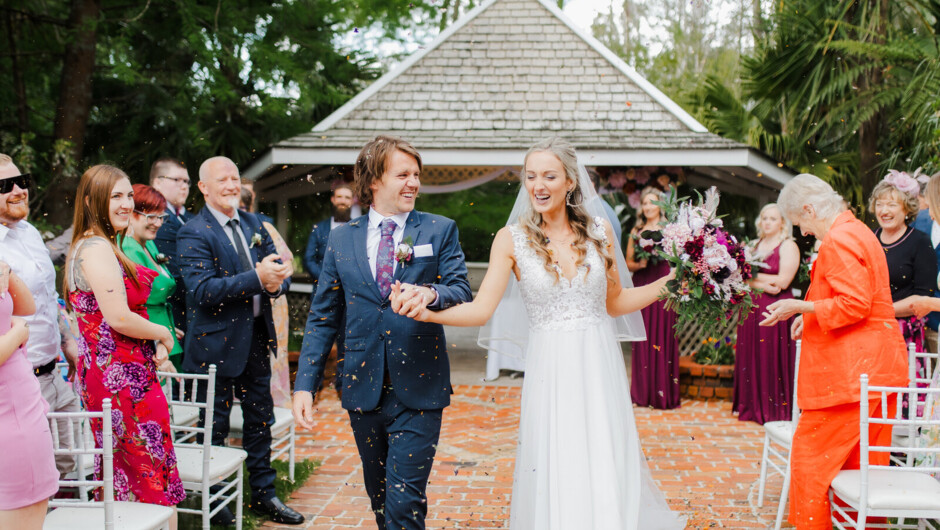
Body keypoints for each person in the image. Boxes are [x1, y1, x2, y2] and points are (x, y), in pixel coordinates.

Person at [392, 137, 685, 529]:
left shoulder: (600, 231)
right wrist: (429, 314)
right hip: (551, 368)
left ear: (570, 182)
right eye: (531, 176)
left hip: (598, 364)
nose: (538, 185)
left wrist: (669, 284)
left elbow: (616, 302)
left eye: (549, 176)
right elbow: (481, 309)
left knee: (602, 450)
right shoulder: (510, 239)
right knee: (558, 455)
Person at [292, 135, 473, 530]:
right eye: (403, 175)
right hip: (362, 385)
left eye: (416, 175)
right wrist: (305, 385)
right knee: (380, 500)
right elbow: (323, 317)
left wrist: (430, 293)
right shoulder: (341, 238)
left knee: (404, 504)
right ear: (374, 180)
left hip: (420, 386)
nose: (414, 183)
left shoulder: (439, 229)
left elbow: (460, 288)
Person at [760, 173, 908, 529]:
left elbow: (855, 303)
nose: (803, 231)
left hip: (851, 376)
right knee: (862, 470)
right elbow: (859, 297)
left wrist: (801, 307)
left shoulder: (838, 239)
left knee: (809, 464)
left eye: (800, 222)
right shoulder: (858, 231)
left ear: (810, 209)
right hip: (877, 370)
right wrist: (810, 315)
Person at [177, 157, 301, 525]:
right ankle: (216, 501)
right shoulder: (193, 232)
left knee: (260, 420)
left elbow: (278, 275)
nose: (232, 185)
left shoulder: (254, 223)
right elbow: (203, 291)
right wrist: (258, 278)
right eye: (223, 180)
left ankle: (264, 493)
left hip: (256, 340)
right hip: (214, 347)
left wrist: (277, 282)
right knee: (213, 426)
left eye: (235, 178)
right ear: (204, 187)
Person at [64, 165, 185, 527]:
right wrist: (163, 334)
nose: (126, 203)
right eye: (115, 196)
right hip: (120, 380)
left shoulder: (97, 244)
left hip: (118, 373)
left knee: (133, 471)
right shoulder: (97, 248)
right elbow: (118, 318)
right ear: (91, 201)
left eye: (128, 195)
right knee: (148, 470)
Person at [0, 154, 82, 476]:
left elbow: (47, 297)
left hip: (55, 371)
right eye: (6, 186)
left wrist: (67, 341)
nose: (19, 190)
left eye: (22, 181)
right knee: (33, 476)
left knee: (71, 465)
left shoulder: (30, 233)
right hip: (18, 382)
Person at [0, 265, 58, 529]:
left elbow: (26, 306)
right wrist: (18, 333)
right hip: (10, 420)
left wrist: (7, 271)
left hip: (19, 410)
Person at [733, 203, 799, 424]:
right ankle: (751, 406)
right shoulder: (753, 245)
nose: (767, 222)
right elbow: (740, 276)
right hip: (750, 308)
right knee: (751, 354)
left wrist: (752, 278)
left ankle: (773, 409)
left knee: (770, 355)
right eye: (764, 218)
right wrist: (759, 282)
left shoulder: (788, 245)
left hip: (775, 309)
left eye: (773, 218)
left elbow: (783, 282)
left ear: (782, 222)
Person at [869, 172, 937, 352]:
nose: (884, 211)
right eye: (879, 204)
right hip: (866, 328)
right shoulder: (867, 238)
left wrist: (879, 312)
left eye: (892, 205)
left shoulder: (920, 241)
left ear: (907, 209)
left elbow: (924, 296)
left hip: (903, 333)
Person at [625, 186, 679, 409]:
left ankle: (663, 394)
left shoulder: (670, 229)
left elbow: (678, 257)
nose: (648, 206)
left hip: (664, 281)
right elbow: (628, 262)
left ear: (660, 205)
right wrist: (641, 263)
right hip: (642, 282)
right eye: (644, 203)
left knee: (664, 332)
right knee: (643, 335)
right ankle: (641, 393)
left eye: (651, 202)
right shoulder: (636, 230)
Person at [240, 186, 294, 409]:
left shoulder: (263, 227)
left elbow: (286, 263)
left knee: (272, 356)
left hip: (271, 301)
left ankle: (273, 403)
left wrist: (272, 279)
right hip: (239, 304)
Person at [121, 184, 184, 370]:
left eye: (161, 217)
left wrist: (167, 326)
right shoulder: (128, 248)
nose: (158, 223)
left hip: (163, 332)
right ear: (130, 213)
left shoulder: (148, 243)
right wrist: (157, 339)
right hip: (147, 342)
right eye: (151, 217)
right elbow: (132, 306)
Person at [303, 182, 352, 393]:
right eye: (339, 197)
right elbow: (308, 259)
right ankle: (313, 388)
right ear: (333, 199)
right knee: (319, 341)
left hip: (350, 296)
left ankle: (342, 386)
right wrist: (327, 280)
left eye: (347, 197)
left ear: (352, 202)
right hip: (323, 295)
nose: (343, 201)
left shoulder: (358, 228)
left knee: (347, 341)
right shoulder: (319, 228)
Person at [150, 158, 192, 336]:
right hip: (175, 313)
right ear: (157, 183)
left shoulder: (189, 218)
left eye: (187, 181)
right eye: (177, 180)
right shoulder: (157, 220)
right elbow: (176, 273)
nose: (184, 186)